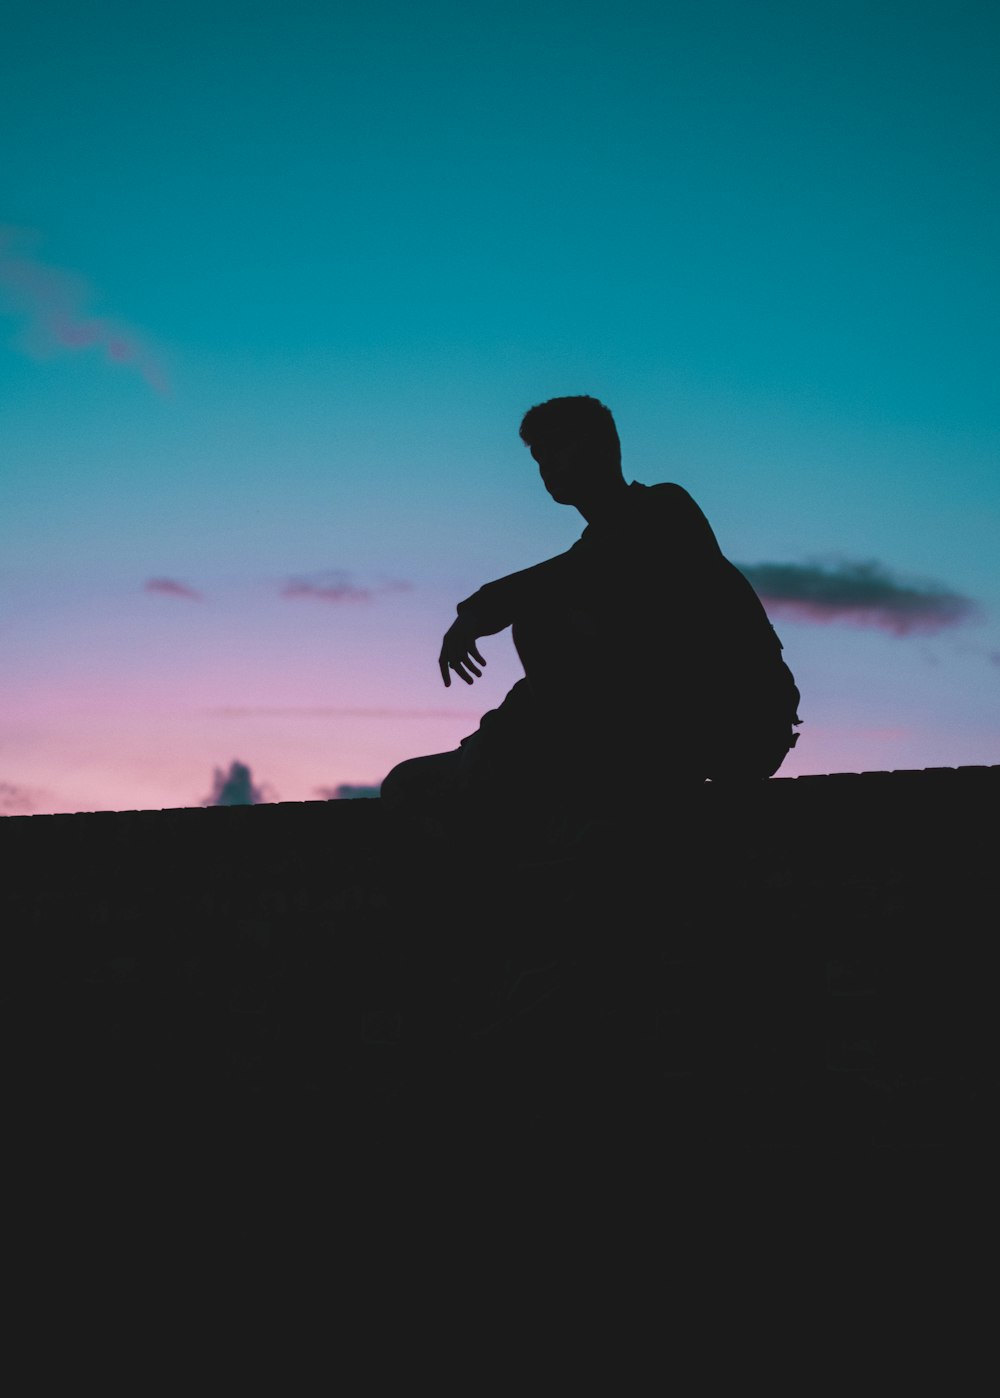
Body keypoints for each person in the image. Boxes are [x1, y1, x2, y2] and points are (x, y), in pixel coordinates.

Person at [381, 395, 801, 830]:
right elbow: (583, 658)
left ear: (603, 448)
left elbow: (572, 579)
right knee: (407, 783)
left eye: (558, 448)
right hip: (650, 726)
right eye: (540, 457)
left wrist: (478, 610)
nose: (547, 466)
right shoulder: (591, 552)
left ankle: (579, 802)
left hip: (736, 724)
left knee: (541, 617)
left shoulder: (665, 510)